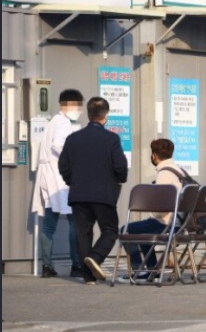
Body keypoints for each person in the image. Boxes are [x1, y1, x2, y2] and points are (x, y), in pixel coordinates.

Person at [58, 97, 128, 285]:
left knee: (83, 234)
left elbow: (63, 166)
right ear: (105, 116)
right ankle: (95, 258)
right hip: (103, 194)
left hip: (79, 194)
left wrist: (72, 181)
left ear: (89, 115)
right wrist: (119, 179)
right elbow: (120, 166)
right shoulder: (111, 139)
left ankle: (88, 277)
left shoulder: (72, 139)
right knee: (110, 230)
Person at [117, 138, 193, 283]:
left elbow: (161, 209)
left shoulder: (164, 174)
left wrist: (152, 214)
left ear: (154, 156)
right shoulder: (179, 171)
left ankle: (139, 271)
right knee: (144, 230)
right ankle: (152, 271)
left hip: (166, 224)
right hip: (180, 224)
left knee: (125, 230)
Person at [31, 89, 85, 278]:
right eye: (77, 106)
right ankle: (76, 265)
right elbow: (59, 146)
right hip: (60, 179)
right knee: (73, 223)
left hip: (48, 178)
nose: (79, 110)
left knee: (49, 224)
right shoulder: (63, 123)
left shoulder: (52, 122)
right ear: (68, 105)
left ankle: (47, 266)